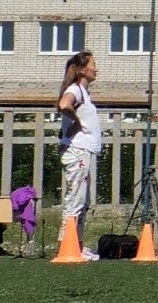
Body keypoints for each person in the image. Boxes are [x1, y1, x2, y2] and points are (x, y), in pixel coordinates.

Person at [57, 50, 101, 261]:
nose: (96, 69)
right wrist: (75, 120)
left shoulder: (85, 93)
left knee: (83, 200)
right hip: (78, 151)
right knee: (75, 199)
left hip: (85, 151)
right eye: (93, 65)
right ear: (83, 70)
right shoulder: (75, 89)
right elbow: (64, 104)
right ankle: (68, 246)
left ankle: (78, 245)